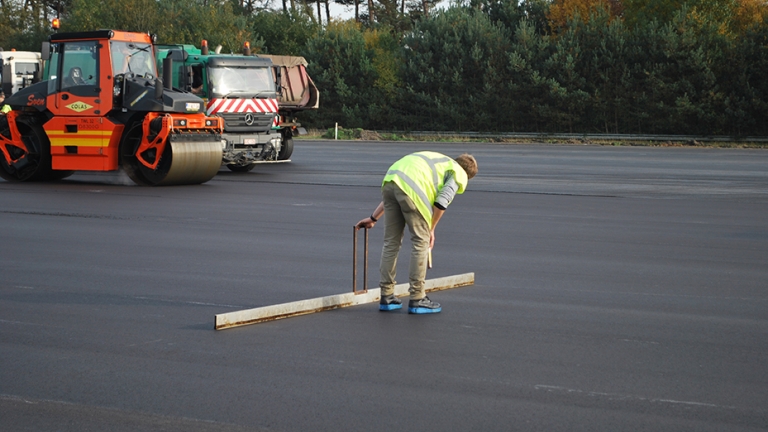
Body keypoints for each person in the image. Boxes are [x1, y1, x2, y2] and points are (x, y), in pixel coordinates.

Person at [355, 151, 478, 314]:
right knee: (421, 242)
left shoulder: (439, 161)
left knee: (391, 243)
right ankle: (417, 298)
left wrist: (373, 218)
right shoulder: (459, 173)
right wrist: (431, 229)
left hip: (391, 180)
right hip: (411, 191)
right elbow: (442, 202)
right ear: (468, 175)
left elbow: (400, 187)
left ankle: (387, 296)